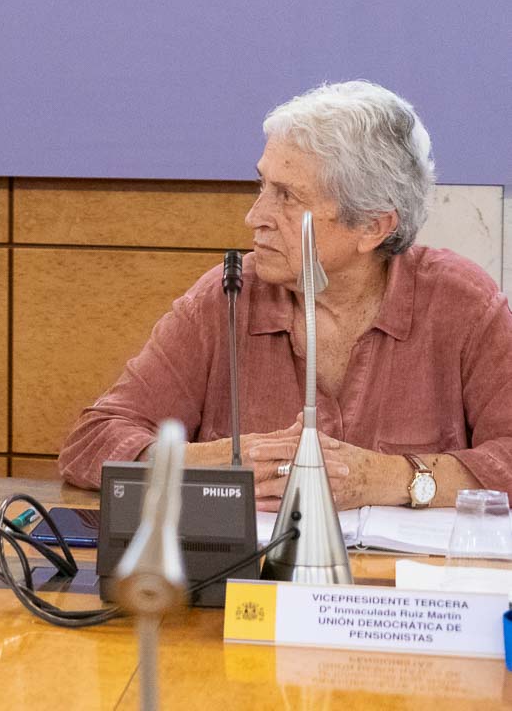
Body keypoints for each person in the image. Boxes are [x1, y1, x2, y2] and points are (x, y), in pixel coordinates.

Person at [59, 80, 512, 509]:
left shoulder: (461, 304)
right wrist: (225, 461)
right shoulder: (228, 296)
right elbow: (92, 442)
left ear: (373, 226)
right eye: (262, 186)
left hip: (398, 586)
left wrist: (386, 478)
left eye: (287, 197)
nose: (255, 216)